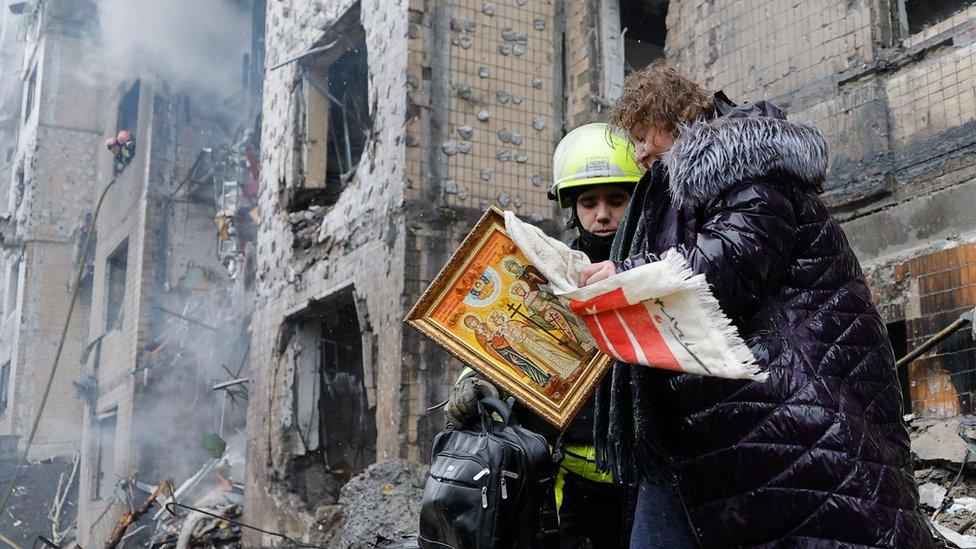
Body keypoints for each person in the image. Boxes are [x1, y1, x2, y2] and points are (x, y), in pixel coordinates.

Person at [579, 60, 932, 547]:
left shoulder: (744, 165)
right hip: (709, 414)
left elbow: (733, 261)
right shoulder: (682, 189)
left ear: (673, 118)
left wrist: (628, 274)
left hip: (787, 396)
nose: (637, 152)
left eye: (643, 136)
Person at [444, 123, 641, 549]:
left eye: (616, 200)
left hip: (643, 482)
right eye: (588, 202)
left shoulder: (655, 270)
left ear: (637, 200)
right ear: (572, 208)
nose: (602, 214)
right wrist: (473, 383)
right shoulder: (547, 272)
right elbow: (502, 335)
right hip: (563, 479)